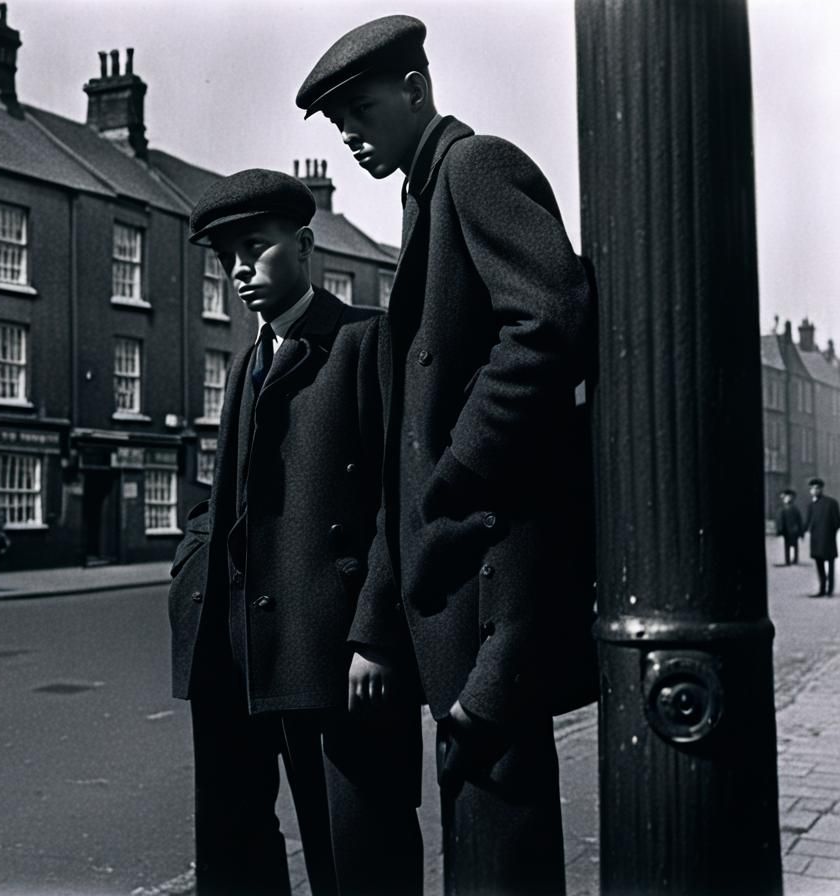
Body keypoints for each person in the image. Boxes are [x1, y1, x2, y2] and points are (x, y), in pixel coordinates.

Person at [297, 15, 595, 896]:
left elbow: (550, 317)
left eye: (361, 109)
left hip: (495, 588)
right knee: (478, 851)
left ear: (417, 91)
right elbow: (402, 453)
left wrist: (461, 462)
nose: (350, 134)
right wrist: (375, 628)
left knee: (500, 856)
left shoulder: (474, 167)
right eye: (336, 121)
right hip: (451, 600)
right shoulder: (423, 199)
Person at [167, 169, 423, 896]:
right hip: (233, 649)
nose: (241, 271)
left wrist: (376, 634)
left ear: (305, 244)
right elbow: (223, 500)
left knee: (354, 854)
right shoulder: (249, 361)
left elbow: (399, 503)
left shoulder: (363, 342)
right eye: (228, 259)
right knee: (236, 847)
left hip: (332, 651)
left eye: (256, 248)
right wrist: (190, 570)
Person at [804, 478, 840, 596]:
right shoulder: (811, 505)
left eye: (816, 488)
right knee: (820, 564)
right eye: (812, 488)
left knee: (829, 565)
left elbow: (837, 522)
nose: (814, 491)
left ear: (821, 489)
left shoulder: (831, 503)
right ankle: (823, 589)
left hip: (826, 538)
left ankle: (829, 590)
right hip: (818, 539)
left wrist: (830, 532)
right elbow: (808, 522)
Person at [775, 489, 804, 566]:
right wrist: (779, 531)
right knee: (787, 546)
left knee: (795, 545)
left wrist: (801, 532)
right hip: (786, 531)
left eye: (790, 497)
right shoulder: (781, 509)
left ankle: (795, 559)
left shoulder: (795, 509)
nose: (788, 499)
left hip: (794, 530)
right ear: (783, 498)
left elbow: (799, 521)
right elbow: (779, 521)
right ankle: (787, 560)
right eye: (786, 497)